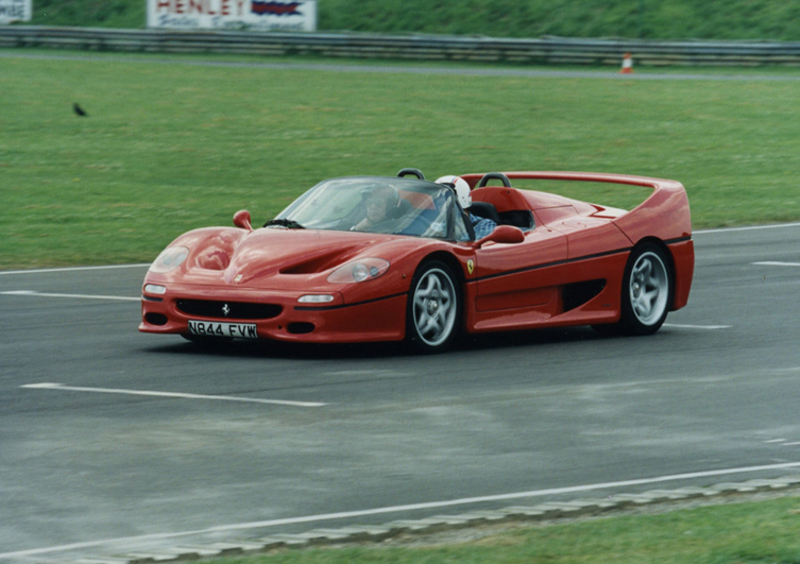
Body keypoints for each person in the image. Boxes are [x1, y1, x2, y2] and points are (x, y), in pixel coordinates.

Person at [435, 175, 497, 239]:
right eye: (438, 199)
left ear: (460, 198)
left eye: (444, 198)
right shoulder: (437, 225)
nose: (439, 202)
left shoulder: (485, 225)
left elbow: (477, 247)